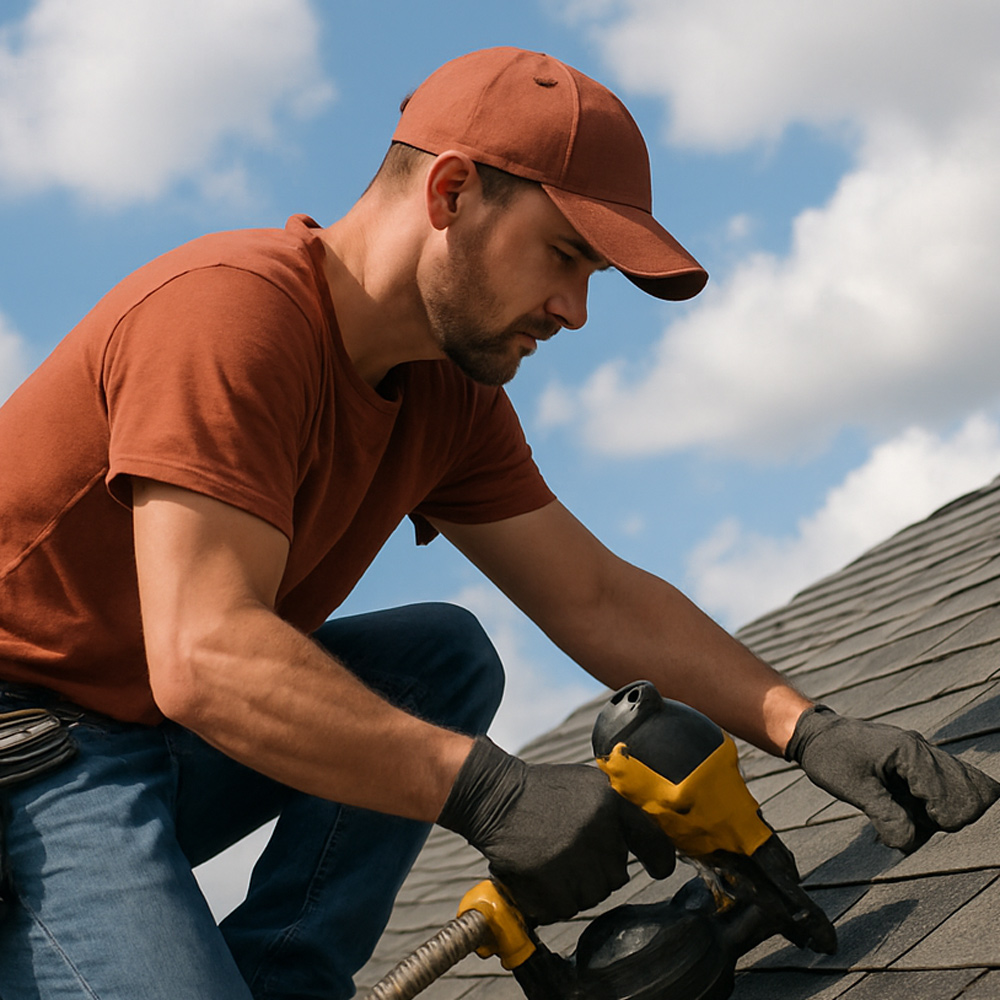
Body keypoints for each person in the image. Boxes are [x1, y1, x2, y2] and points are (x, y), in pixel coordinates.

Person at [0, 46, 995, 1000]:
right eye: (564, 256)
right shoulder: (227, 316)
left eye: (593, 277)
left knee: (438, 657)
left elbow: (595, 595)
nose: (574, 311)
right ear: (450, 193)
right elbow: (206, 654)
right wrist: (492, 794)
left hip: (136, 739)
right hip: (27, 750)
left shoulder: (448, 397)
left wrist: (807, 728)